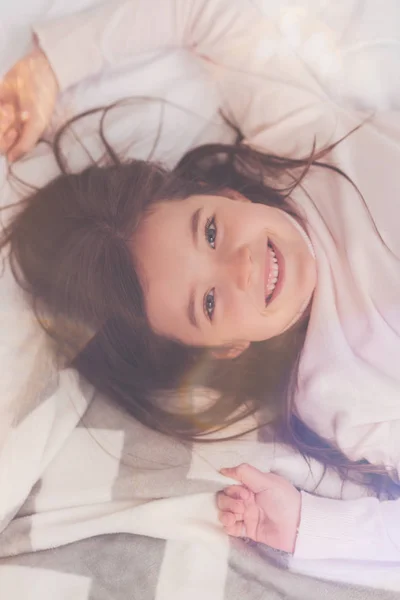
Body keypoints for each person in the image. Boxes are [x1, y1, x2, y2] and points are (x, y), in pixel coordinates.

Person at [1, 0, 400, 571]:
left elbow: (205, 11)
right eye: (209, 303)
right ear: (228, 346)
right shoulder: (337, 392)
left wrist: (54, 64)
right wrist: (308, 529)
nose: (239, 267)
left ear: (230, 196)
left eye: (211, 230)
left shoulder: (298, 149)